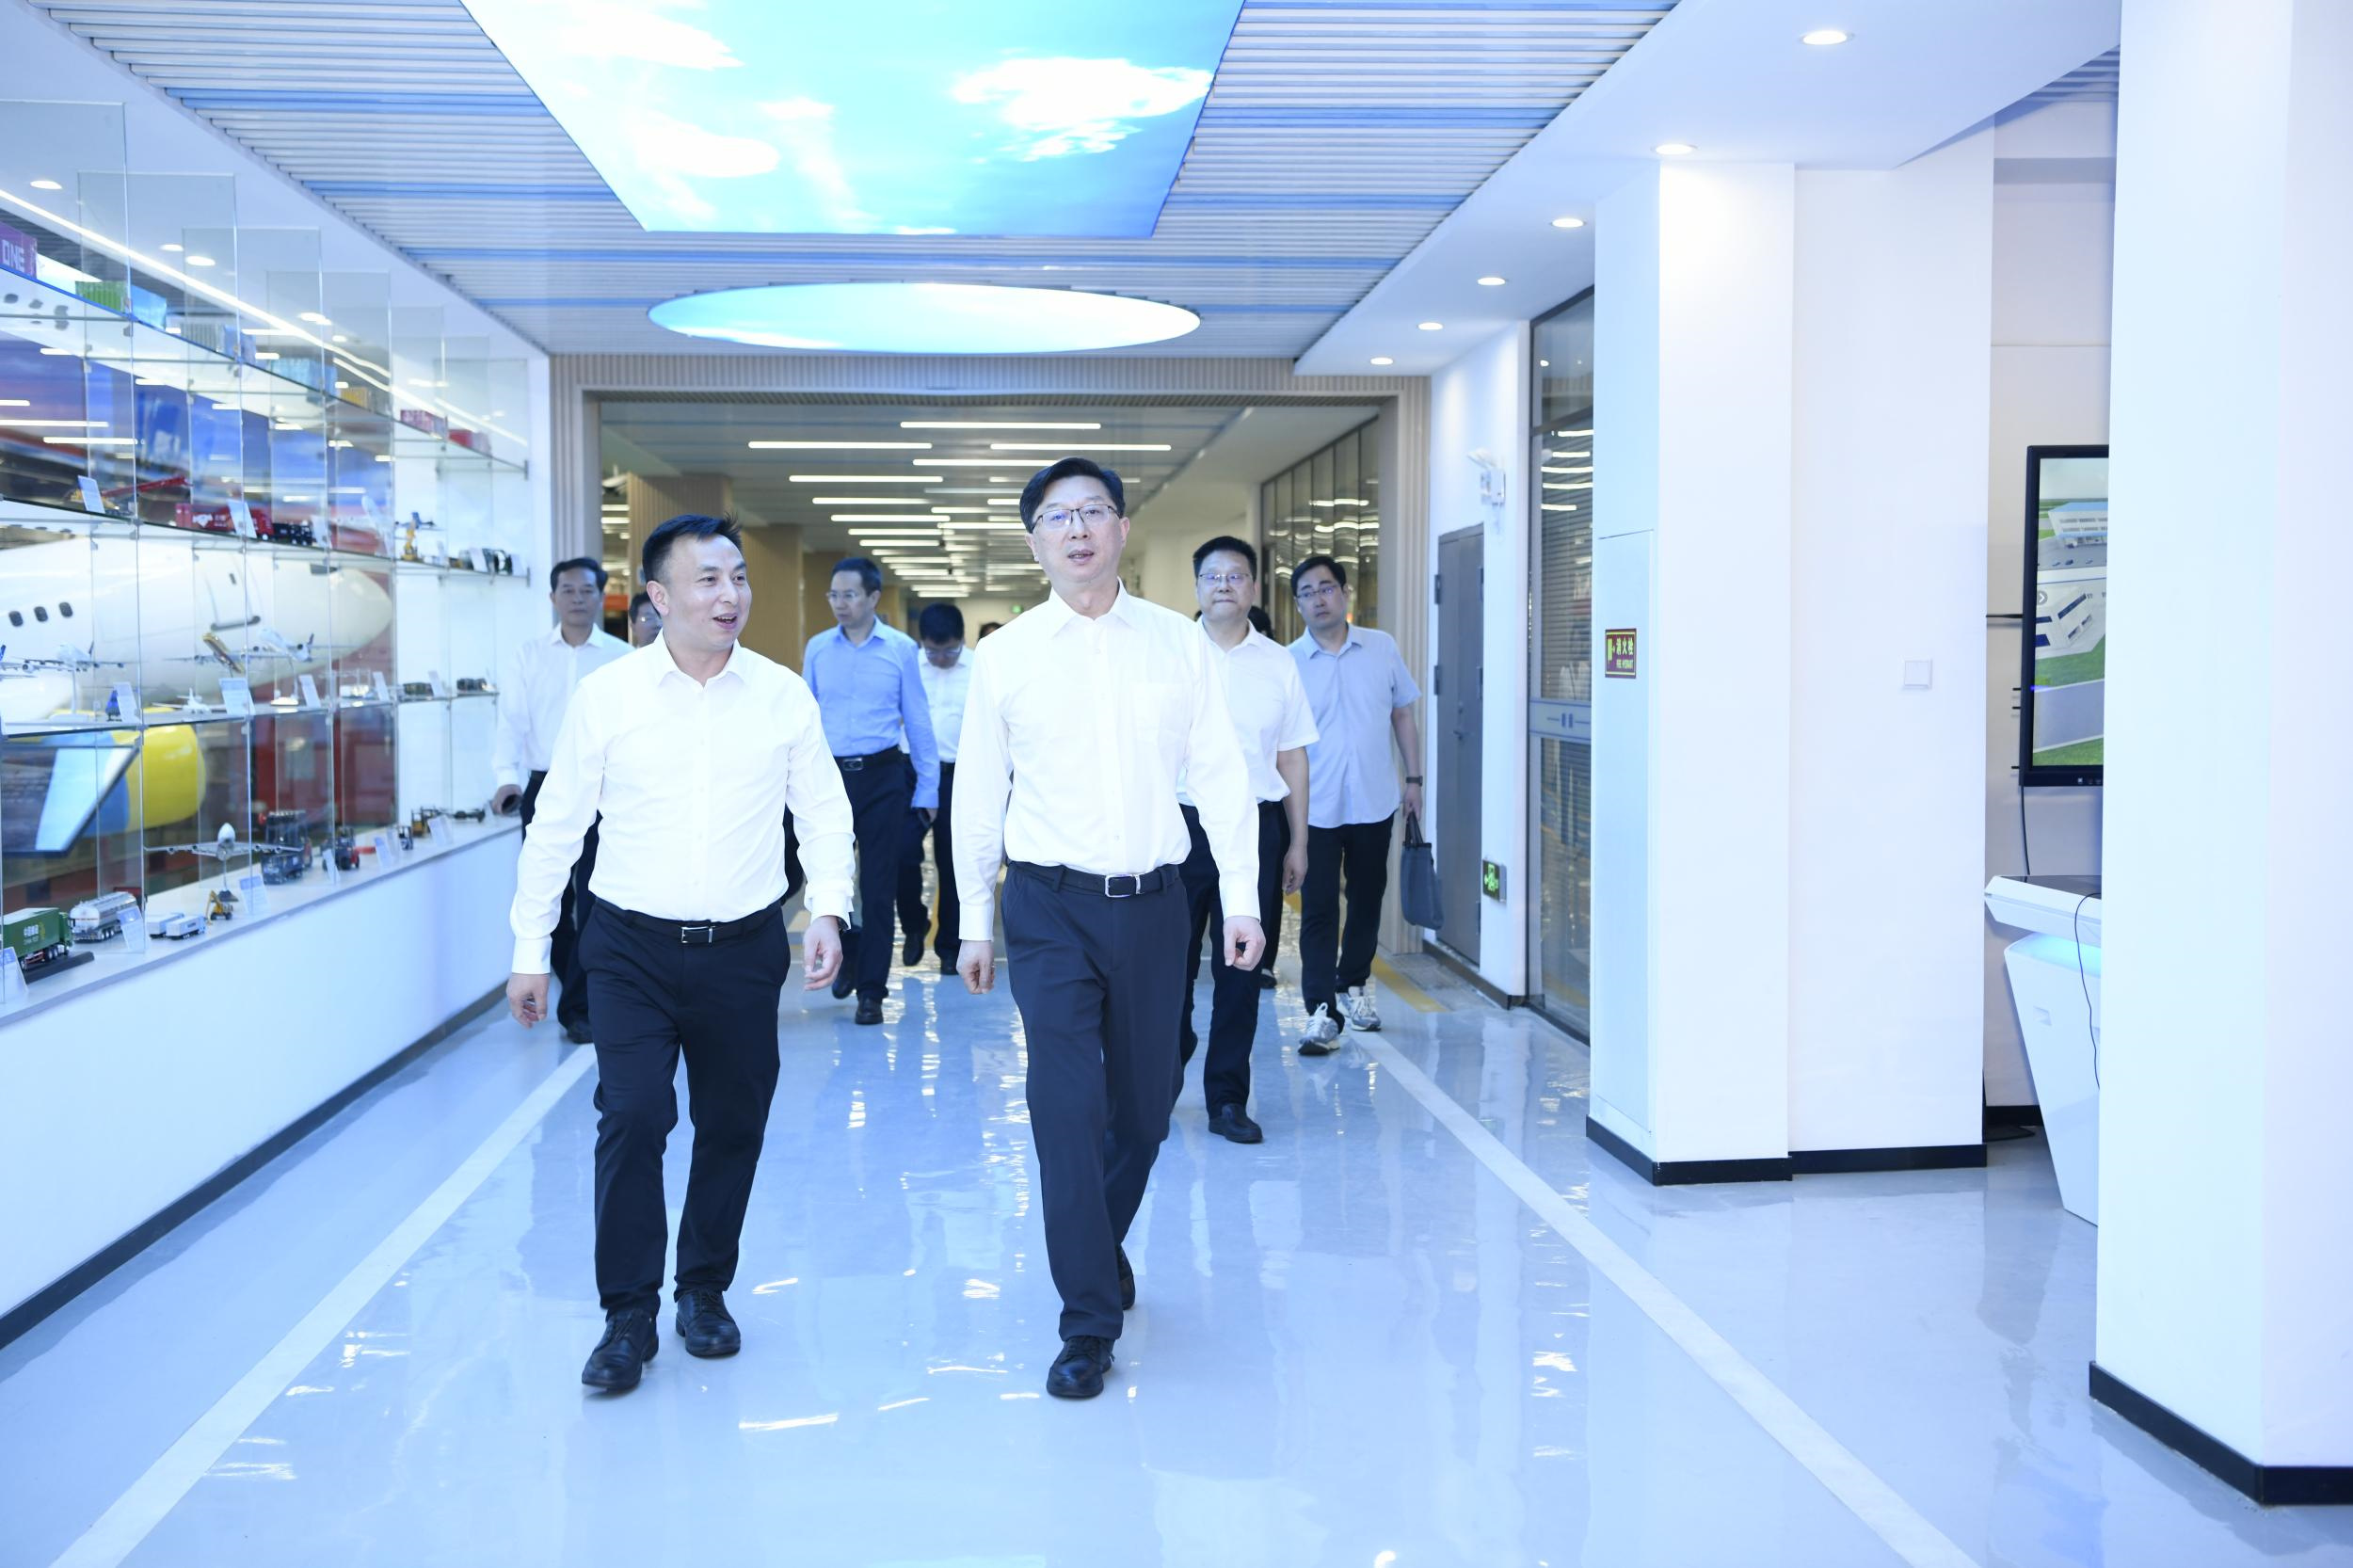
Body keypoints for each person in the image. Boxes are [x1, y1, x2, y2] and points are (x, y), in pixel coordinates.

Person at [507, 514, 853, 1395]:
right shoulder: (609, 697)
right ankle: (627, 1313)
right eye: (708, 579)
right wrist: (531, 948)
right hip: (629, 947)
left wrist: (828, 908)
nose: (730, 594)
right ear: (658, 597)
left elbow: (823, 812)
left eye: (738, 577)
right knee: (632, 1115)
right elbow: (557, 827)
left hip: (743, 949)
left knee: (733, 1124)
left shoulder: (781, 695)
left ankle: (702, 1289)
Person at [954, 458, 1262, 1400]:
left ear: (1123, 530)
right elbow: (979, 791)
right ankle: (1087, 1320)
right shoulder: (1007, 655)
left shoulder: (1176, 645)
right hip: (1047, 906)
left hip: (1156, 904)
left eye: (1094, 512)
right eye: (1058, 517)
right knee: (1064, 1108)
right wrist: (973, 918)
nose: (1078, 529)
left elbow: (1221, 773)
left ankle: (1098, 1238)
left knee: (1144, 1105)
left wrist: (1242, 899)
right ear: (1036, 542)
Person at [1177, 536, 1314, 1144]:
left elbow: (1292, 758)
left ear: (1254, 588)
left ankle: (1227, 1099)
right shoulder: (1171, 656)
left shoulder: (1279, 663)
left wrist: (1298, 841)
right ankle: (1164, 1068)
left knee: (1242, 969)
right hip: (1180, 827)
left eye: (1236, 576)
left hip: (1257, 826)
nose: (1224, 585)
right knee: (1168, 967)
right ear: (1197, 587)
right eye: (1213, 576)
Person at [490, 557, 630, 1044]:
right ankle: (574, 989)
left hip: (603, 792)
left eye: (586, 590)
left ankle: (580, 1008)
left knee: (593, 900)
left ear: (600, 597)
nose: (577, 599)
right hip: (544, 786)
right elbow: (510, 723)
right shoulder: (528, 656)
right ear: (552, 598)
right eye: (567, 590)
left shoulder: (620, 656)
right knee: (550, 897)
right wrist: (505, 779)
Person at [1289, 554, 1423, 1054]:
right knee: (1319, 907)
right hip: (1314, 808)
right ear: (1298, 604)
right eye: (1307, 592)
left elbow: (1402, 715)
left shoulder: (1381, 647)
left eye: (1326, 588)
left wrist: (1414, 780)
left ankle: (1354, 985)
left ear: (1344, 593)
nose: (1318, 599)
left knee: (1367, 899)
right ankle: (1321, 1009)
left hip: (1373, 800)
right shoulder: (1288, 662)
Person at [805, 557, 938, 1026]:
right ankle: (852, 948)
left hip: (883, 777)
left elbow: (917, 719)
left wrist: (928, 789)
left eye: (849, 595)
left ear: (873, 597)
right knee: (828, 880)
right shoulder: (818, 649)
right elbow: (806, 720)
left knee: (879, 889)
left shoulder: (900, 649)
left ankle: (872, 993)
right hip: (829, 780)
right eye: (834, 595)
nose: (840, 603)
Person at [893, 601, 973, 974]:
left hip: (958, 776)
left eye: (950, 651)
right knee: (901, 852)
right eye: (933, 651)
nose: (941, 659)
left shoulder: (979, 669)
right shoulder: (908, 666)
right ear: (922, 643)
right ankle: (914, 924)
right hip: (910, 772)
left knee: (953, 863)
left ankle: (950, 947)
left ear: (962, 640)